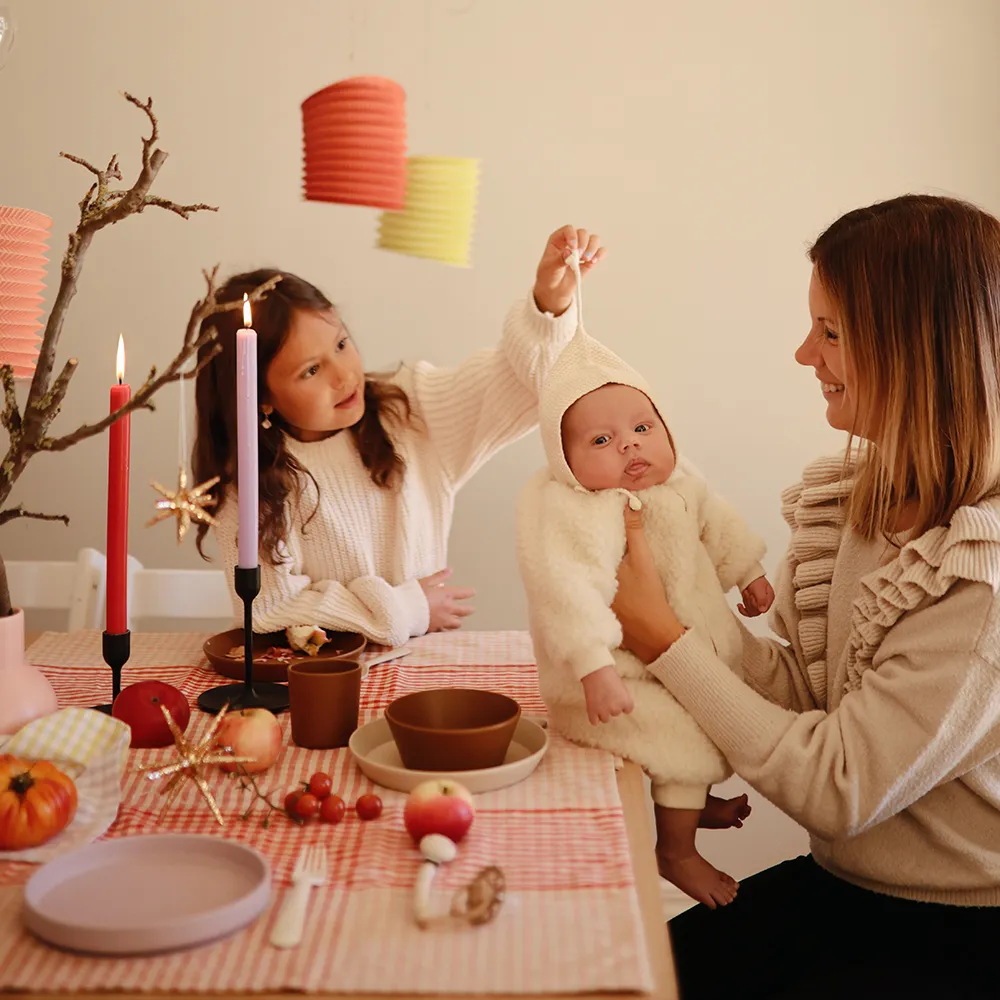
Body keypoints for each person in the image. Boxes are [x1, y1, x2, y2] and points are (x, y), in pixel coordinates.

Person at [611, 194, 1000, 999]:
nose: (803, 354)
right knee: (623, 966)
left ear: (917, 350)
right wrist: (679, 609)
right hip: (853, 887)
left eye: (831, 332)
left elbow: (838, 784)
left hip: (953, 929)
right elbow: (810, 689)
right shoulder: (871, 497)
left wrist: (667, 643)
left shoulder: (981, 579)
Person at [192, 226, 605, 645]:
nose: (344, 376)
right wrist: (406, 608)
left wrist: (551, 302)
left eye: (341, 344)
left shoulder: (411, 411)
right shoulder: (252, 482)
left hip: (424, 662)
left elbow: (530, 384)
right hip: (317, 676)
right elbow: (268, 608)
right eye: (311, 370)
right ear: (260, 396)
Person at [515, 252, 773, 907]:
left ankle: (689, 799)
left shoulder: (682, 483)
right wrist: (592, 664)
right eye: (601, 441)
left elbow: (718, 522)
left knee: (719, 706)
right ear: (565, 461)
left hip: (681, 649)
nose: (629, 444)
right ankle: (675, 849)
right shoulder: (576, 512)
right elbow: (564, 588)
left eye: (641, 427)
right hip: (617, 673)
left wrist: (746, 570)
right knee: (681, 735)